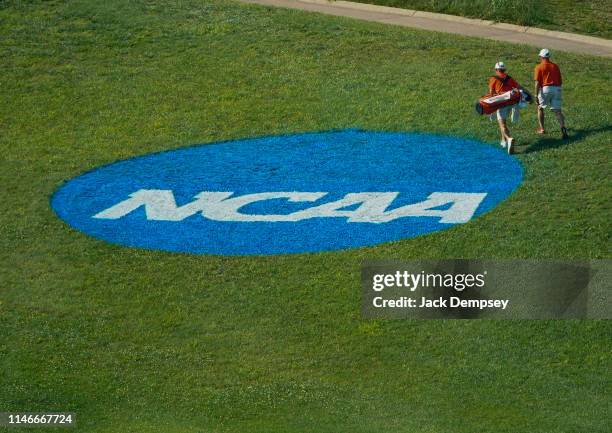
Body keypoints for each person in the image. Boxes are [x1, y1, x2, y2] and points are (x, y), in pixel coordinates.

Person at [488, 62, 531, 154]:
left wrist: (491, 105)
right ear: (504, 70)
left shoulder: (493, 79)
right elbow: (520, 87)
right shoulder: (509, 78)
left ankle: (508, 139)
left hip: (502, 103)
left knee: (502, 124)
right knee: (504, 123)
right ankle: (503, 141)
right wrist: (529, 94)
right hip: (512, 103)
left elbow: (491, 93)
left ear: (496, 70)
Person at [534, 48, 568, 139]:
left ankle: (542, 128)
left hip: (546, 89)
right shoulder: (555, 66)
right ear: (549, 57)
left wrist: (536, 94)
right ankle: (563, 128)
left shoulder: (539, 67)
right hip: (557, 89)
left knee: (540, 108)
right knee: (558, 111)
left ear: (541, 57)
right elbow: (560, 81)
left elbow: (537, 83)